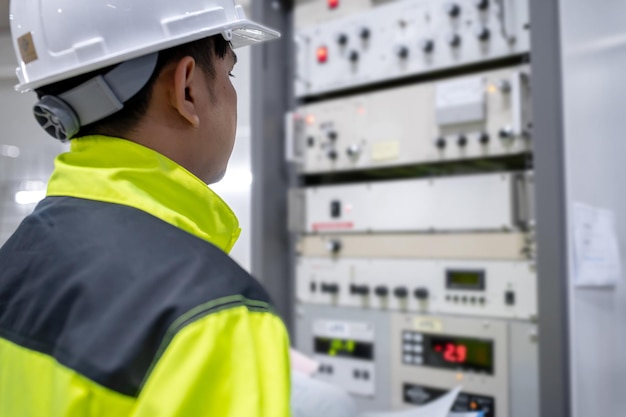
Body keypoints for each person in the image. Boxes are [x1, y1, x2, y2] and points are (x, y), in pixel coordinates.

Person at [0, 1, 291, 416]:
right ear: (187, 87)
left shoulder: (15, 259)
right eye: (229, 72)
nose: (231, 91)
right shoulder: (215, 315)